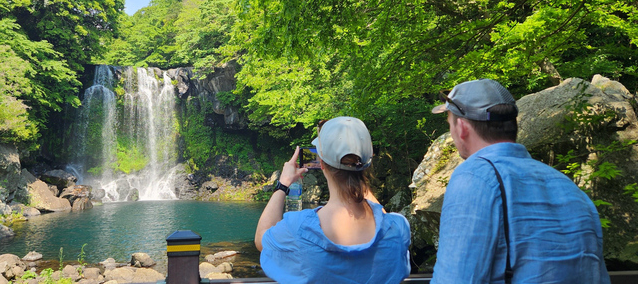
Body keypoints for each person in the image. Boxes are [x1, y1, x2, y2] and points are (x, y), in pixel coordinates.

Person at [430, 78, 610, 284]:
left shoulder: (474, 177)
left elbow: (455, 279)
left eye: (450, 124)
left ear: (461, 127)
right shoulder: (569, 187)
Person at [255, 116, 411, 284]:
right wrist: (358, 174)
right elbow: (382, 219)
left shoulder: (298, 228)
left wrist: (284, 184)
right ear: (369, 160)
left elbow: (261, 240)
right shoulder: (398, 228)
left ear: (321, 163)